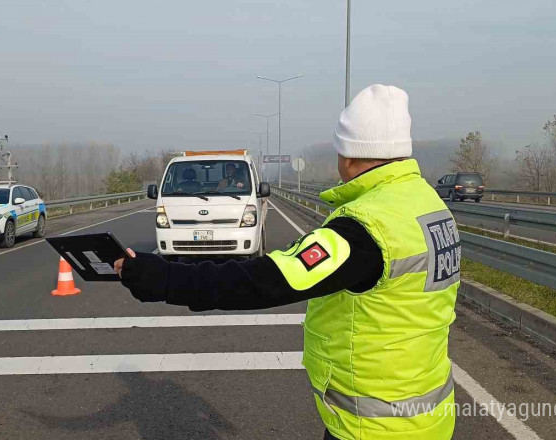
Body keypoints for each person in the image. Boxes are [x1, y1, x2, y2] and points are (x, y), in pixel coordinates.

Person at [113, 85, 459, 440]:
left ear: (350, 156)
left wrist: (162, 277)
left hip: (376, 425)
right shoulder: (427, 204)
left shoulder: (365, 228)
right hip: (428, 412)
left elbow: (266, 280)